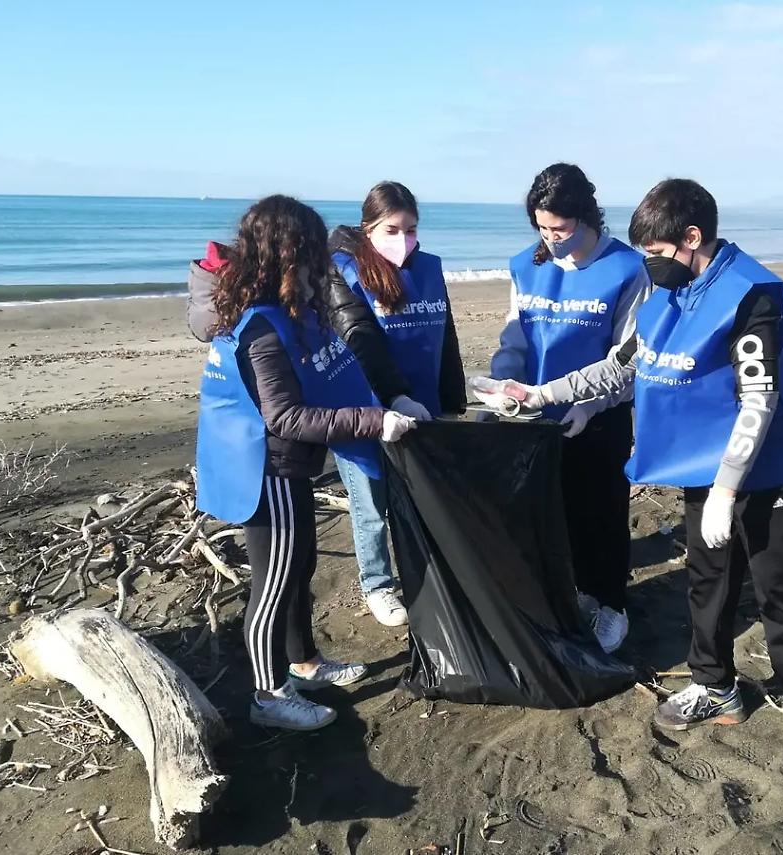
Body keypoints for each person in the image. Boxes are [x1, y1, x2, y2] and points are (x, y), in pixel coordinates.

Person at [481, 179, 783, 780]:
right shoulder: (667, 295)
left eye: (656, 251)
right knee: (707, 580)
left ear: (692, 238)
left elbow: (759, 400)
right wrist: (539, 393)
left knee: (781, 590)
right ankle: (715, 683)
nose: (647, 263)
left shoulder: (751, 295)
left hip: (769, 468)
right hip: (701, 461)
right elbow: (619, 366)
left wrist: (728, 491)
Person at [195, 195, 417, 732]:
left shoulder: (285, 309)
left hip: (288, 468)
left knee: (300, 570)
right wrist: (372, 422)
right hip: (265, 470)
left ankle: (305, 662)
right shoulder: (262, 328)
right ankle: (268, 695)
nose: (323, 264)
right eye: (314, 253)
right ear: (290, 254)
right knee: (272, 587)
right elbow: (287, 417)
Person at [489, 163, 650, 653]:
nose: (550, 238)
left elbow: (628, 361)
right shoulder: (526, 265)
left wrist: (592, 404)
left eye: (559, 229)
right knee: (550, 514)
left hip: (599, 415)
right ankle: (575, 594)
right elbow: (516, 336)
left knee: (601, 513)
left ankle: (612, 605)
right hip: (535, 414)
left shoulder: (626, 269)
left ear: (586, 219)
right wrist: (501, 380)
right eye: (542, 228)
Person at [325, 182, 467, 627]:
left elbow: (446, 339)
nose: (403, 238)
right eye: (392, 228)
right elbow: (358, 339)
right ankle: (378, 584)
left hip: (423, 404)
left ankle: (425, 570)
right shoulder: (342, 271)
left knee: (420, 492)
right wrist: (392, 398)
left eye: (411, 228)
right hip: (363, 406)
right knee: (370, 503)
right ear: (369, 227)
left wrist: (451, 400)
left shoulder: (427, 269)